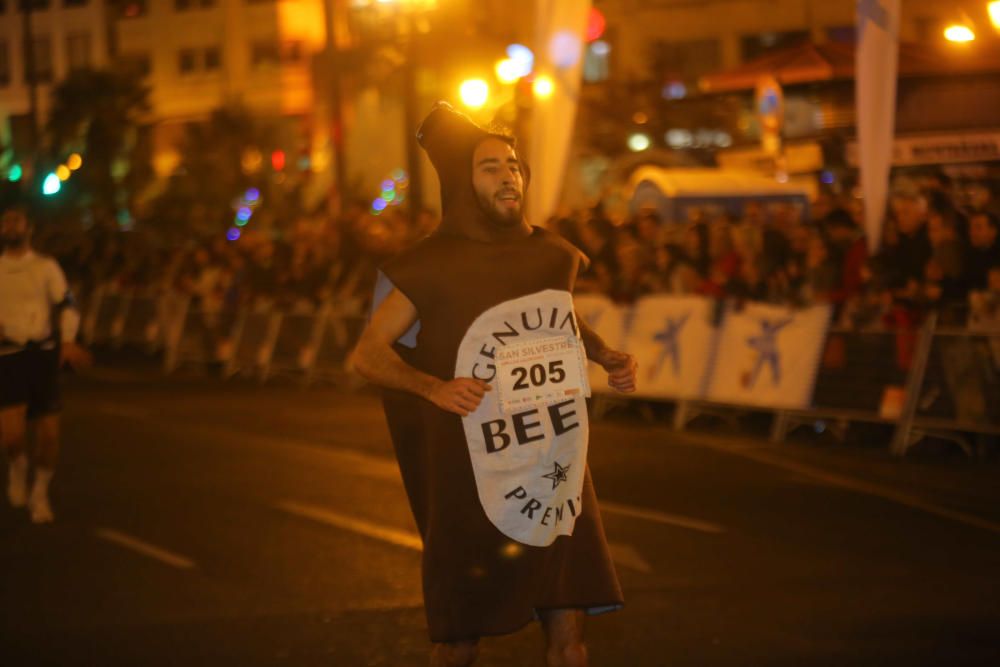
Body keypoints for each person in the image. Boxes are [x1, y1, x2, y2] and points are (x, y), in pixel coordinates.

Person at [350, 103, 637, 667]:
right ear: (461, 181)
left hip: (554, 470)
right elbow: (367, 355)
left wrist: (604, 354)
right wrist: (432, 388)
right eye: (490, 166)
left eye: (513, 164)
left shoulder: (550, 254)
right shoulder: (427, 266)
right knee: (459, 640)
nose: (510, 175)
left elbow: (557, 316)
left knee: (569, 631)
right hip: (471, 477)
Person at [0, 192, 90, 523]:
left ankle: (40, 493)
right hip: (8, 355)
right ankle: (17, 468)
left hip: (43, 354)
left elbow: (67, 303)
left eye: (16, 221)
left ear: (29, 228)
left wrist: (67, 341)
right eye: (5, 221)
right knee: (12, 437)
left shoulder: (45, 267)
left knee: (50, 435)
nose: (9, 226)